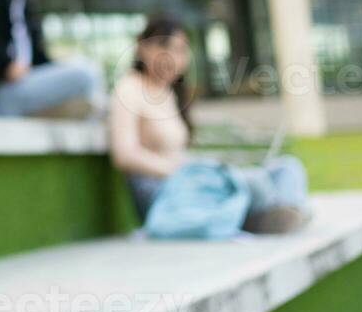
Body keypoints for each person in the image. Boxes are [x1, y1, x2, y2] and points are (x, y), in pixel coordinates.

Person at [110, 14, 310, 233]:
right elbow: (125, 155)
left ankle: (281, 212)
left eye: (180, 50)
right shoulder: (128, 88)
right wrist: (184, 170)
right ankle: (267, 215)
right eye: (163, 46)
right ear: (142, 47)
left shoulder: (168, 93)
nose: (172, 58)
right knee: (256, 185)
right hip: (164, 191)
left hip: (192, 183)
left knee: (287, 167)